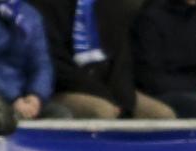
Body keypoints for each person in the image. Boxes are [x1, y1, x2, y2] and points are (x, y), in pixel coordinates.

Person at [29, 0, 176, 119]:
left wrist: (124, 99)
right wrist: (103, 95)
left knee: (162, 115)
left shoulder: (110, 5)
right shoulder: (45, 5)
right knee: (101, 111)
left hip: (109, 89)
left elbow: (121, 59)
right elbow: (56, 63)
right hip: (66, 89)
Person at [0, 0, 73, 120]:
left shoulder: (30, 14)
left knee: (60, 115)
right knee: (3, 117)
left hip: (26, 98)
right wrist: (13, 98)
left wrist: (36, 96)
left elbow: (42, 63)